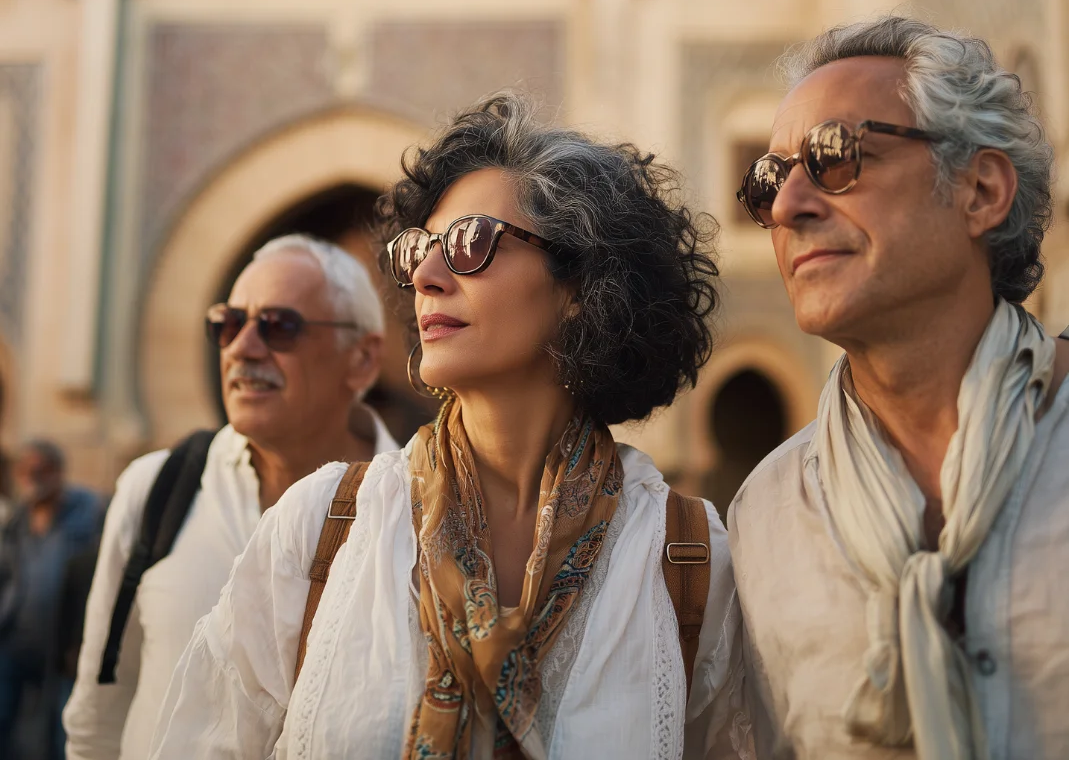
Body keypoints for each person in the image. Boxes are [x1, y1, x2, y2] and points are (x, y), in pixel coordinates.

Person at [149, 94, 750, 759]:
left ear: (579, 283)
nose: (426, 278)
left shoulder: (682, 559)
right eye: (418, 250)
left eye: (470, 243)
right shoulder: (322, 530)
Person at [729, 16, 1069, 759]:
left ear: (979, 190)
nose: (786, 207)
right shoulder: (765, 515)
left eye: (833, 156)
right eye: (768, 178)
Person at [64, 234, 397, 760]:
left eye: (279, 326)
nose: (243, 347)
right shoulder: (156, 490)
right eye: (228, 324)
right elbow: (97, 716)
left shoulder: (414, 516)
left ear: (361, 358)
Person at [0, 440, 103, 760]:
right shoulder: (17, 521)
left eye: (40, 470)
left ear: (58, 472)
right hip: (14, 639)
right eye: (25, 471)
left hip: (62, 644)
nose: (32, 478)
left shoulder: (88, 514)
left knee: (58, 732)